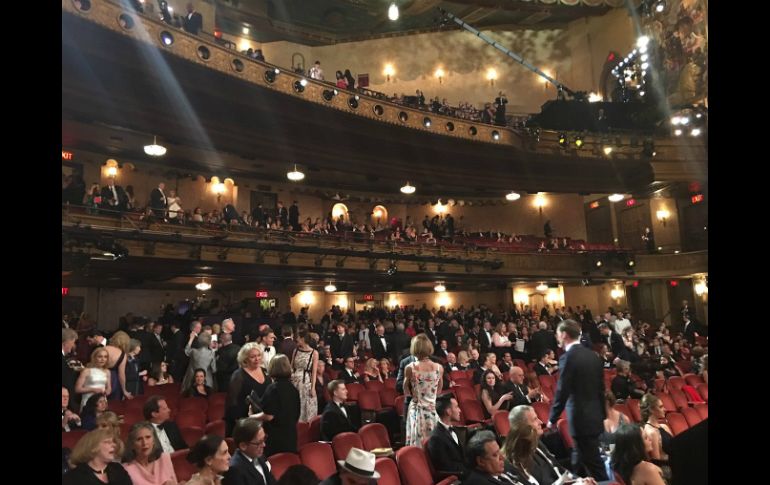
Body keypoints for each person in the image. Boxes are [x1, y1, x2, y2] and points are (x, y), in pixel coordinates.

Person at [547, 320, 608, 481]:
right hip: (594, 416)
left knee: (594, 463)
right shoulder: (593, 356)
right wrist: (602, 414)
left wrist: (552, 418)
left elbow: (562, 391)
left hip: (581, 419)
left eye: (558, 334)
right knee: (579, 460)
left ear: (565, 335)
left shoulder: (568, 358)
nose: (557, 338)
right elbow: (601, 389)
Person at [249, 355, 301, 456]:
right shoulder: (293, 388)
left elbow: (269, 416)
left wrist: (251, 417)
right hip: (291, 434)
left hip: (276, 437)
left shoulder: (273, 389)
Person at [404, 334, 442, 447]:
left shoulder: (410, 368)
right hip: (432, 409)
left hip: (417, 410)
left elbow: (406, 390)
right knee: (434, 444)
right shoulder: (439, 367)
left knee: (418, 445)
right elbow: (439, 390)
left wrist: (416, 395)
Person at [226, 343, 271, 437]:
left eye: (259, 355)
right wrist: (241, 424)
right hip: (245, 423)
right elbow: (232, 403)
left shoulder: (265, 371)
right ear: (245, 358)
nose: (257, 359)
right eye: (252, 356)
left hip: (265, 421)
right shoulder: (238, 375)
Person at [63, 428, 133, 485]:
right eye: (107, 442)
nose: (114, 445)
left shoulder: (118, 469)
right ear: (93, 447)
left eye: (113, 442)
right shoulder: (74, 477)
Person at [426, 395, 469, 479]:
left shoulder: (455, 429)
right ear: (448, 411)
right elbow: (446, 467)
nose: (460, 410)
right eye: (457, 407)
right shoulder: (436, 438)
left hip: (466, 471)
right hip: (459, 477)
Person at [223, 418, 276, 485]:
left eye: (264, 439)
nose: (264, 445)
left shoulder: (259, 456)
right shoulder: (234, 470)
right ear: (243, 446)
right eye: (259, 442)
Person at [290, 327, 319, 422]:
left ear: (303, 339)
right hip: (294, 382)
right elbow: (291, 367)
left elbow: (314, 372)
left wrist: (313, 388)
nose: (296, 339)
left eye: (297, 337)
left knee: (306, 406)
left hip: (306, 382)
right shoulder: (296, 350)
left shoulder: (314, 353)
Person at [75, 347, 112, 412]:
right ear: (94, 357)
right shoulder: (86, 371)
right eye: (100, 356)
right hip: (88, 400)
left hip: (102, 401)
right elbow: (77, 389)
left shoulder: (107, 372)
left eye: (105, 357)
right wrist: (93, 390)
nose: (103, 359)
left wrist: (108, 391)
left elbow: (109, 388)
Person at [641, 394, 672, 463]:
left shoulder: (664, 426)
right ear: (651, 410)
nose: (665, 409)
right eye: (661, 407)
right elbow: (658, 463)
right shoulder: (651, 432)